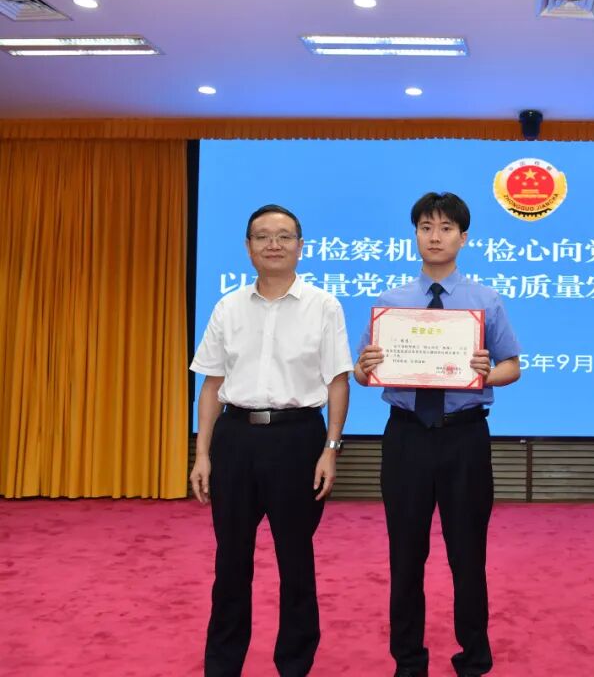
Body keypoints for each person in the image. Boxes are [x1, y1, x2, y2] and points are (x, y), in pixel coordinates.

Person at [354, 192, 521, 677]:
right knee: (405, 555)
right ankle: (409, 661)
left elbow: (512, 366)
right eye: (426, 227)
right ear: (415, 235)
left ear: (463, 238)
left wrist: (486, 373)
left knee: (468, 555)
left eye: (446, 228)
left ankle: (474, 658)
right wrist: (366, 368)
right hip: (405, 437)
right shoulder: (391, 303)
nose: (435, 236)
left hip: (464, 437)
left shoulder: (485, 300)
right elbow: (363, 372)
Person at [189, 204, 354, 677]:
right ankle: (223, 665)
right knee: (230, 562)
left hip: (297, 440)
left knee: (295, 561)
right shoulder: (228, 307)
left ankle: (294, 664)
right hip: (235, 439)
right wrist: (202, 454)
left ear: (301, 246)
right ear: (248, 248)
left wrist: (330, 449)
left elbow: (338, 382)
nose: (273, 244)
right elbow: (212, 385)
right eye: (262, 236)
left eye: (284, 236)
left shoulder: (324, 305)